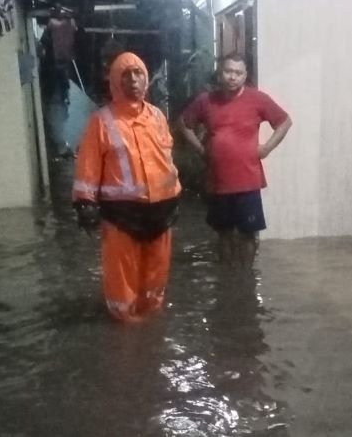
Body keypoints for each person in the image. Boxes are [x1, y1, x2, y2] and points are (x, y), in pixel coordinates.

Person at [72, 52, 182, 322]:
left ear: (146, 79)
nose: (133, 80)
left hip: (162, 210)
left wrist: (176, 196)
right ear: (114, 82)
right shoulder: (102, 121)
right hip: (121, 215)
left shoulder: (157, 116)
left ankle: (151, 329)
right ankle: (125, 334)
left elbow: (166, 159)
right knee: (122, 277)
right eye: (126, 75)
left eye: (138, 74)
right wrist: (85, 203)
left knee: (156, 276)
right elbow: (87, 165)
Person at [178, 53, 292, 271]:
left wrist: (266, 148)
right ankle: (228, 278)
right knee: (223, 233)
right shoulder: (206, 101)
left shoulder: (257, 99)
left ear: (245, 75)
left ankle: (245, 277)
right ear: (220, 73)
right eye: (228, 71)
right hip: (218, 181)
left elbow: (285, 121)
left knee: (249, 234)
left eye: (238, 73)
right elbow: (183, 124)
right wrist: (202, 150)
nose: (233, 77)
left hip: (248, 181)